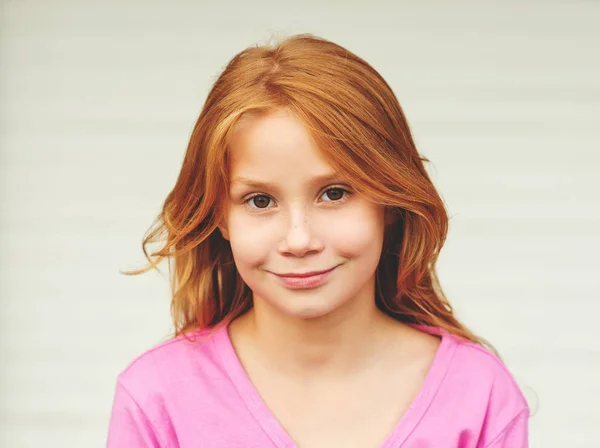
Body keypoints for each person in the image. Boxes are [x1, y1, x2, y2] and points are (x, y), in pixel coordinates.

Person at [106, 33, 529, 447]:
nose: (299, 240)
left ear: (391, 201)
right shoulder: (156, 399)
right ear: (219, 216)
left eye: (334, 194)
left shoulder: (479, 395)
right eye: (259, 200)